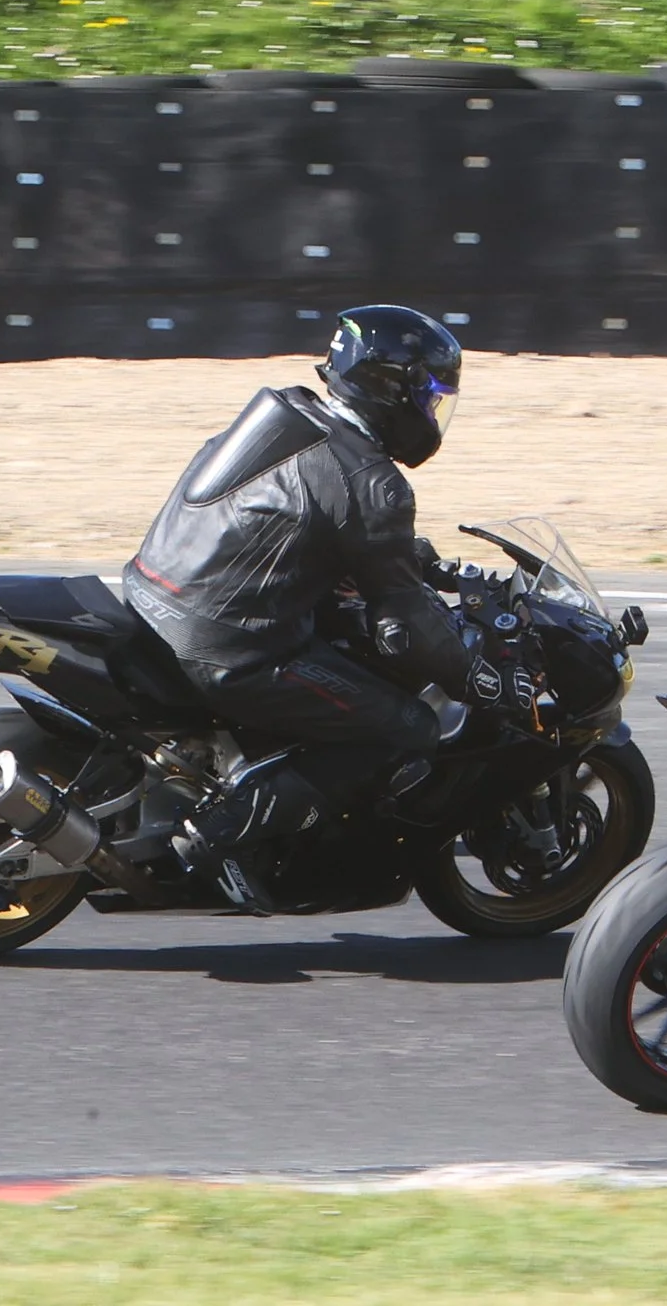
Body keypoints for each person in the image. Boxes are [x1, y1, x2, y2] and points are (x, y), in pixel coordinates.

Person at [122, 305, 480, 912]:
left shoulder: (282, 414)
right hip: (232, 646)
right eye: (432, 396)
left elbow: (290, 522)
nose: (433, 413)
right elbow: (406, 623)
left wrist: (410, 558)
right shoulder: (373, 480)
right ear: (392, 388)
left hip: (154, 595)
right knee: (408, 727)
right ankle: (222, 834)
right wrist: (475, 674)